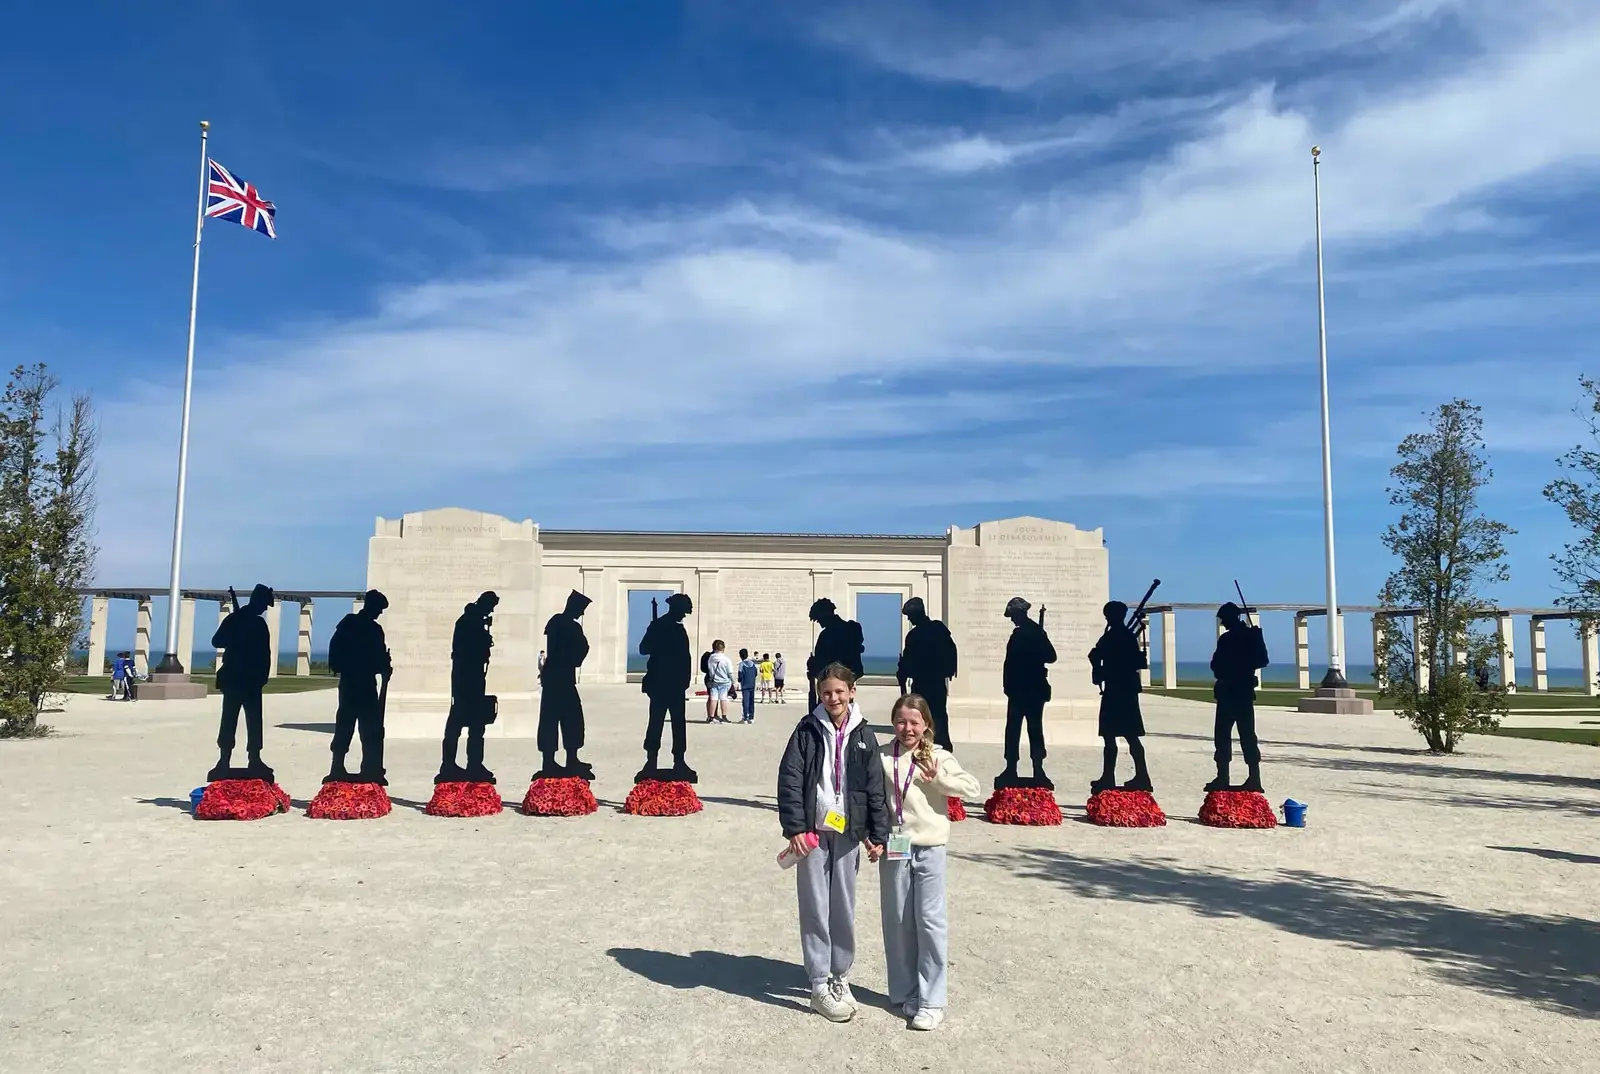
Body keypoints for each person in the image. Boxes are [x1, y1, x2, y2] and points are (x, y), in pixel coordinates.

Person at [777, 663, 890, 1023]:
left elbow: (875, 787)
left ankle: (841, 974)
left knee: (843, 905)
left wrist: (877, 834)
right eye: (827, 692)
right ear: (819, 693)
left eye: (840, 691)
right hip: (812, 828)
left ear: (852, 692)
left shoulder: (864, 734)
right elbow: (790, 778)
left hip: (847, 830)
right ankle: (818, 983)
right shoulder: (807, 730)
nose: (833, 698)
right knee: (814, 904)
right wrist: (794, 826)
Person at [878, 693, 980, 1031]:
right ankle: (907, 991)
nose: (907, 728)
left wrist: (937, 778)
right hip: (895, 844)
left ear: (926, 725)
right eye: (901, 721)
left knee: (930, 921)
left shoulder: (938, 755)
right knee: (897, 920)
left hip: (929, 846)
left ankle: (932, 1000)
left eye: (914, 722)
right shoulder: (882, 755)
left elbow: (972, 788)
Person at [208, 584, 275, 781]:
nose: (264, 609)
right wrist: (235, 634)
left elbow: (265, 654)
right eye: (264, 604)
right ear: (257, 601)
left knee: (254, 722)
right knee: (229, 720)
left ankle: (255, 758)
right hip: (235, 679)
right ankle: (224, 759)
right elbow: (217, 641)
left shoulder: (258, 624)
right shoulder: (235, 620)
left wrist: (262, 677)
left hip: (252, 680)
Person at [326, 589, 392, 783]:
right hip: (353, 683)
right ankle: (337, 766)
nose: (379, 613)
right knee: (345, 725)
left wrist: (384, 667)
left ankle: (370, 767)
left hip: (365, 684)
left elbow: (378, 656)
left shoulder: (374, 629)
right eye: (378, 609)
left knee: (370, 729)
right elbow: (336, 650)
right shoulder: (350, 624)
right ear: (370, 606)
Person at [1086, 600, 1151, 793]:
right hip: (1126, 690)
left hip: (1117, 690)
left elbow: (1102, 657)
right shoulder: (1125, 636)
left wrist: (1098, 666)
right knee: (1129, 736)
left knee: (1113, 736)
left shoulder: (1114, 636)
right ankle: (1138, 776)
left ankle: (1114, 777)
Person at [1209, 602, 1270, 792]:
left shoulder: (1231, 639)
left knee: (1229, 736)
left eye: (1224, 619)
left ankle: (1240, 777)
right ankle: (1242, 776)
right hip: (1239, 692)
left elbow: (1217, 664)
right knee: (1240, 735)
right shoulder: (1247, 636)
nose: (1223, 623)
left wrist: (1257, 639)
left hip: (1233, 691)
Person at [997, 596, 1056, 790]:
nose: (1012, 619)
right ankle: (1011, 768)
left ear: (1019, 613)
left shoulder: (1034, 633)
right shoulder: (1026, 633)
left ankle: (1038, 769)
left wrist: (1038, 644)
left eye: (1013, 615)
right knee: (1014, 730)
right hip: (1020, 689)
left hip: (1029, 688)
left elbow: (1051, 657)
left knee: (1031, 730)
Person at [441, 591, 499, 783]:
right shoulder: (468, 622)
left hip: (472, 676)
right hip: (466, 677)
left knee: (476, 723)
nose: (490, 611)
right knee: (459, 721)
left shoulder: (471, 620)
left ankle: (474, 763)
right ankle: (450, 764)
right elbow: (467, 649)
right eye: (490, 607)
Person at [639, 592, 695, 782]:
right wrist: (656, 642)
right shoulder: (659, 626)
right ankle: (651, 760)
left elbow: (685, 657)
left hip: (676, 684)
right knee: (656, 722)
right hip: (661, 682)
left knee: (679, 724)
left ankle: (679, 760)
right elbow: (643, 648)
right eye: (683, 612)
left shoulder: (678, 629)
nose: (683, 616)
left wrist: (685, 680)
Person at [538, 590, 593, 779]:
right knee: (564, 719)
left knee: (564, 719)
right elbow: (581, 647)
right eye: (582, 609)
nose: (583, 613)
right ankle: (556, 760)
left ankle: (565, 759)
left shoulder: (557, 622)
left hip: (556, 677)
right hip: (560, 678)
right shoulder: (567, 625)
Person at [897, 597, 958, 751]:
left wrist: (903, 674)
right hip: (934, 683)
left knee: (926, 716)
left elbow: (909, 661)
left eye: (910, 615)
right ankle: (941, 747)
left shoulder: (917, 634)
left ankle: (934, 747)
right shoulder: (937, 629)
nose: (909, 619)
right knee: (936, 716)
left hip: (926, 683)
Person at [806, 599, 865, 710]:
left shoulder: (827, 635)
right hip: (846, 683)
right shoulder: (852, 629)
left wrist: (812, 665)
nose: (819, 623)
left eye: (819, 620)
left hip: (832, 683)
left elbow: (823, 663)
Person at [706, 640, 734, 724]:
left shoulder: (711, 658)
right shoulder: (726, 659)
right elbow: (729, 672)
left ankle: (711, 717)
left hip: (714, 681)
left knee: (713, 699)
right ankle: (724, 717)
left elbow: (709, 669)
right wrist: (733, 681)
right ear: (723, 648)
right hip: (724, 682)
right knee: (723, 699)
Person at [737, 647, 759, 723]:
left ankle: (745, 717)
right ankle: (751, 717)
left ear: (740, 656)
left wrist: (740, 681)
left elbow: (740, 676)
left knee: (745, 701)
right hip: (752, 685)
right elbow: (756, 673)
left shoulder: (741, 664)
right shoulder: (752, 663)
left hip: (745, 685)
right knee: (751, 701)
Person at [700, 649, 715, 720]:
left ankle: (712, 714)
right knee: (712, 697)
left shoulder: (708, 655)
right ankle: (710, 715)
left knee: (712, 697)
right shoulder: (712, 656)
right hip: (711, 678)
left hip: (709, 677)